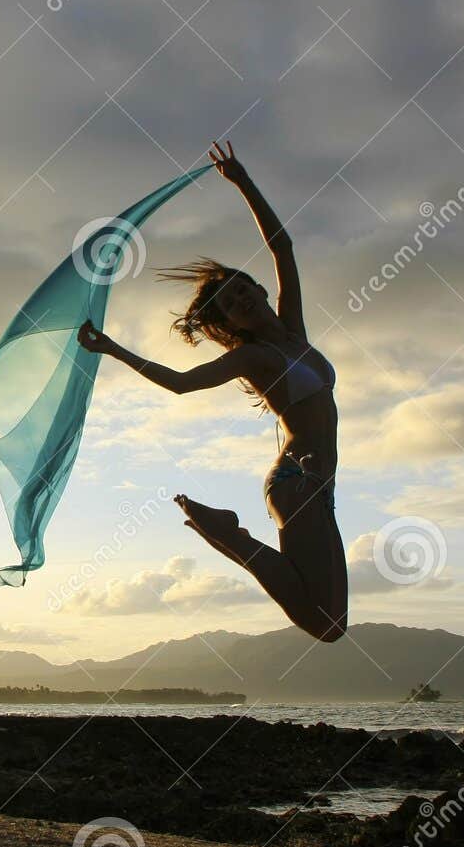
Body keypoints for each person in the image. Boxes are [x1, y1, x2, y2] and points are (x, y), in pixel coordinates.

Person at [77, 141, 347, 642]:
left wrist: (242, 181)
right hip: (295, 483)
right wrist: (114, 349)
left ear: (259, 290)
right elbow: (182, 384)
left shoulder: (294, 334)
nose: (242, 300)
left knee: (330, 617)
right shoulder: (253, 358)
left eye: (243, 289)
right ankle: (227, 534)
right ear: (229, 322)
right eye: (230, 304)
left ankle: (226, 533)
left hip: (319, 486)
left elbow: (282, 248)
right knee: (328, 627)